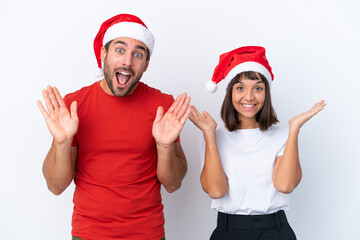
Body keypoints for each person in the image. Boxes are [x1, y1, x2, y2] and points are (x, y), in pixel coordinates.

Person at [37, 13, 190, 240]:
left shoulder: (163, 106)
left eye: (138, 54)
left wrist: (164, 145)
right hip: (88, 234)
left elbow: (173, 184)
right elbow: (56, 186)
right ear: (103, 54)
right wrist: (62, 142)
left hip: (147, 234)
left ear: (146, 64)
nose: (128, 61)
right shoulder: (73, 106)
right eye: (120, 50)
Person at [189, 46, 326, 240]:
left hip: (275, 231)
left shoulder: (283, 135)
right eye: (240, 88)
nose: (249, 97)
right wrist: (209, 135)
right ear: (230, 93)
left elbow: (285, 185)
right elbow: (216, 190)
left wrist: (294, 129)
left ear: (266, 93)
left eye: (258, 88)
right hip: (228, 231)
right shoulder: (214, 136)